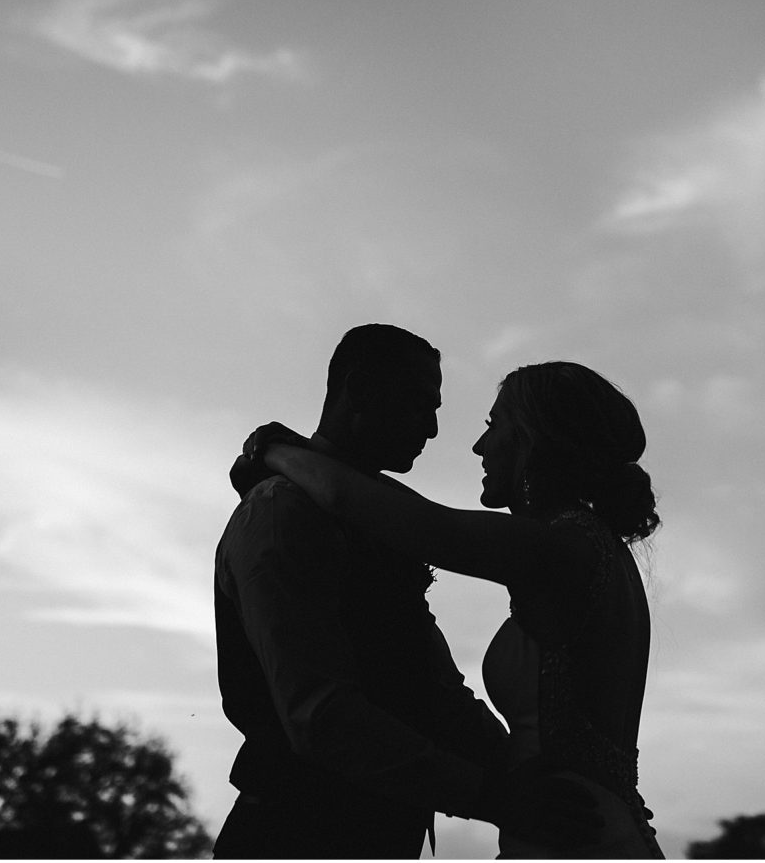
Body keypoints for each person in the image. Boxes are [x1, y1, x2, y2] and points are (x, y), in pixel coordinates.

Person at [239, 360, 665, 858]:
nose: (479, 446)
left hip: (572, 829)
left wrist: (273, 450)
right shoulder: (590, 544)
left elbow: (398, 516)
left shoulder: (560, 547)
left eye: (493, 426)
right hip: (582, 818)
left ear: (531, 438)